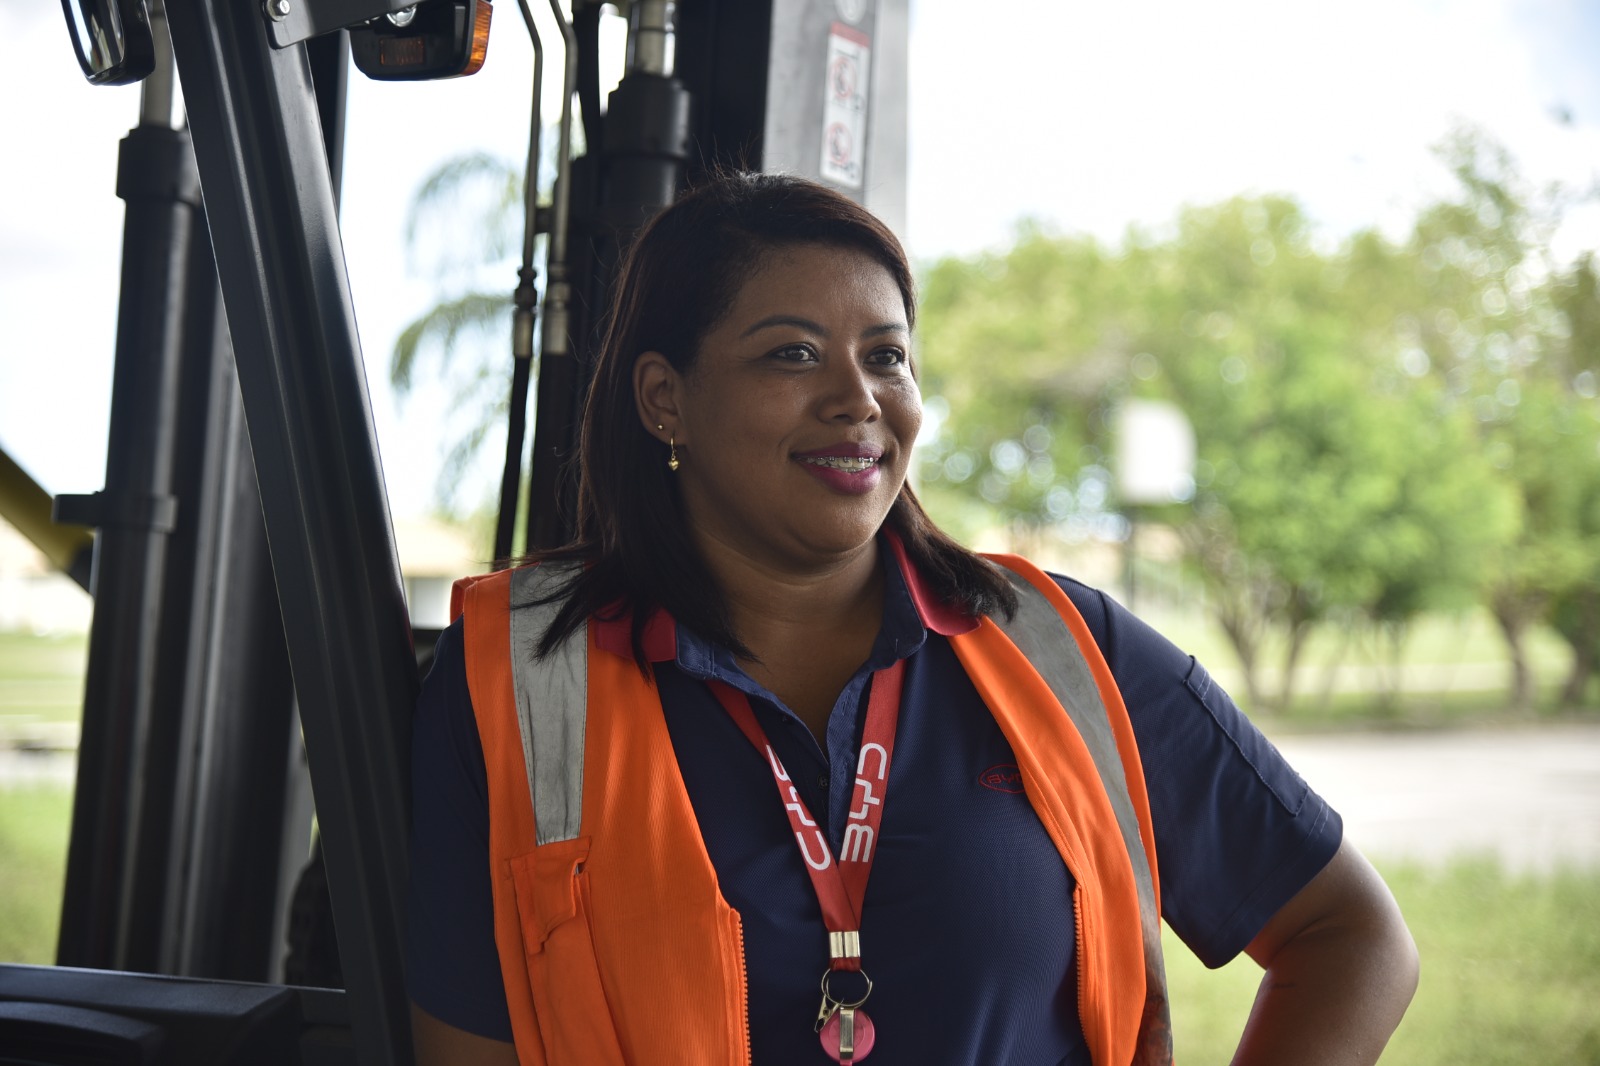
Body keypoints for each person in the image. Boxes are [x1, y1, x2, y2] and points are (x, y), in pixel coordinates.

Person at [406, 171, 1418, 1066]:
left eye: (886, 357)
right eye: (792, 355)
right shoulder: (520, 678)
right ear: (664, 398)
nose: (858, 399)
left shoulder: (1064, 646)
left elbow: (1351, 935)